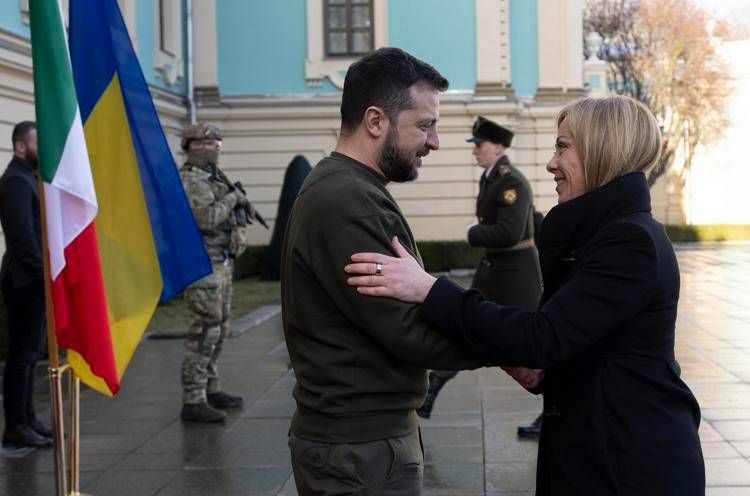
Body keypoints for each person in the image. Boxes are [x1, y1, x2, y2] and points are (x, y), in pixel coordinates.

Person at [345, 95, 705, 495]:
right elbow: (584, 343)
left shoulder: (628, 240)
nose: (551, 162)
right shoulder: (607, 232)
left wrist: (428, 289)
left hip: (629, 465)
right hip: (603, 452)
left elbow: (543, 337)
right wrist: (541, 370)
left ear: (604, 150)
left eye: (563, 147)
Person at [281, 47, 491, 494]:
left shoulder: (350, 188)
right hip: (361, 451)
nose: (434, 142)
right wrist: (507, 344)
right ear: (376, 121)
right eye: (425, 125)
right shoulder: (347, 200)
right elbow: (407, 330)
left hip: (360, 442)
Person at [417, 117, 543, 440]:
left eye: (480, 146)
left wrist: (472, 233)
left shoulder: (511, 182)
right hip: (493, 273)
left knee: (533, 347)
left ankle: (556, 409)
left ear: (498, 148)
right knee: (466, 329)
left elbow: (509, 232)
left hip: (516, 278)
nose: (475, 152)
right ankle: (431, 391)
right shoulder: (491, 179)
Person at [179, 122, 259, 423]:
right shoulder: (191, 179)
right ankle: (193, 397)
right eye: (210, 144)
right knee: (204, 331)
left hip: (221, 264)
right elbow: (206, 218)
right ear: (193, 146)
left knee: (219, 329)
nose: (215, 150)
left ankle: (211, 388)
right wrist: (233, 198)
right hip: (203, 266)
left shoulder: (213, 177)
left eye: (218, 145)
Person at [0, 121, 53, 449]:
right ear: (21, 147)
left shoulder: (27, 178)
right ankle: (15, 425)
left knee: (31, 354)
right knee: (22, 355)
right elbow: (22, 238)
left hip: (30, 277)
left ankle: (29, 418)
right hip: (24, 279)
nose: (42, 150)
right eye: (37, 143)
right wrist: (41, 273)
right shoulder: (16, 182)